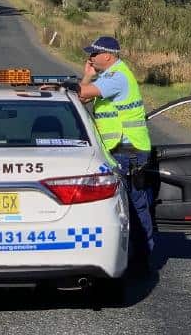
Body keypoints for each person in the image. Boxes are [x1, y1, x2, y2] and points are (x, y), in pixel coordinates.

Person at [75, 36, 155, 272]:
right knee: (126, 205)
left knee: (135, 206)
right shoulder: (108, 76)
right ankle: (135, 256)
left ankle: (142, 259)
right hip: (118, 150)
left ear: (107, 56)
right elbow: (81, 98)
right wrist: (87, 75)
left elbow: (82, 92)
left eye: (94, 54)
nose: (90, 58)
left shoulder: (118, 77)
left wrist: (71, 85)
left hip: (128, 150)